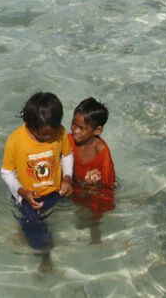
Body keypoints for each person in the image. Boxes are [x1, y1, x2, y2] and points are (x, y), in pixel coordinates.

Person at [0, 92, 73, 263]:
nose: (50, 137)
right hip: (28, 197)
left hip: (56, 191)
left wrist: (67, 178)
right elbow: (6, 172)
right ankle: (45, 256)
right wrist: (21, 191)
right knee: (33, 226)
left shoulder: (60, 132)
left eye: (53, 132)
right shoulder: (15, 140)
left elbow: (67, 155)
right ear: (29, 125)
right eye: (45, 134)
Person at [68, 98, 116, 242]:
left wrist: (96, 186)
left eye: (81, 128)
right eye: (73, 124)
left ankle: (95, 230)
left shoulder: (102, 153)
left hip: (94, 189)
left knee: (95, 211)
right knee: (78, 215)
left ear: (97, 130)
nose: (75, 130)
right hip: (75, 184)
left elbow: (108, 184)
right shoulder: (68, 141)